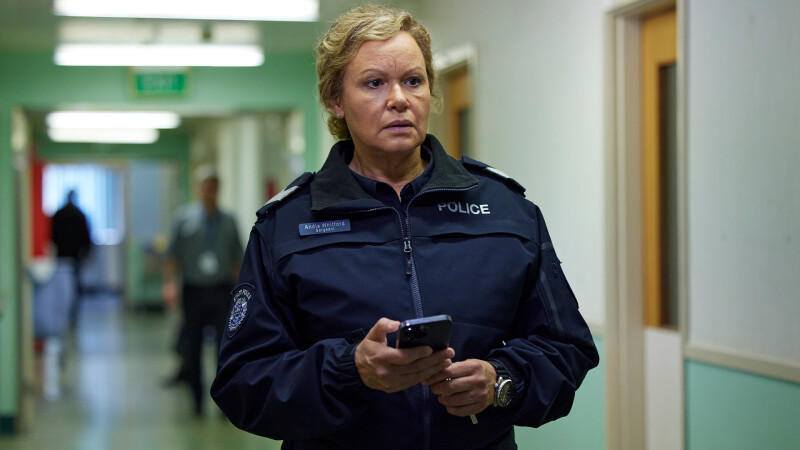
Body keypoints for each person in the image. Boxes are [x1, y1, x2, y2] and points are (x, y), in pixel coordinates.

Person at [211, 5, 599, 449]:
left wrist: (502, 380)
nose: (399, 98)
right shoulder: (286, 226)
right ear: (336, 100)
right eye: (374, 83)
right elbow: (243, 381)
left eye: (413, 81)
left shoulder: (506, 211)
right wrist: (351, 370)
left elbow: (567, 348)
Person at [162, 165, 243, 416]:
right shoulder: (183, 220)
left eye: (214, 187)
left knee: (223, 346)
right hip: (193, 290)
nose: (209, 192)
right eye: (205, 187)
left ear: (219, 189)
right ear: (198, 189)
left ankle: (222, 398)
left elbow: (237, 260)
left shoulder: (228, 221)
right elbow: (172, 256)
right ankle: (197, 400)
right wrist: (170, 285)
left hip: (221, 290)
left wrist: (240, 294)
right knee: (193, 345)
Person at [51, 189, 92, 331]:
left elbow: (51, 234)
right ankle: (72, 314)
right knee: (74, 286)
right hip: (74, 256)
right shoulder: (79, 214)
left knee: (62, 287)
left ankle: (62, 312)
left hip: (61, 256)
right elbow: (86, 236)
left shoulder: (58, 214)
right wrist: (87, 253)